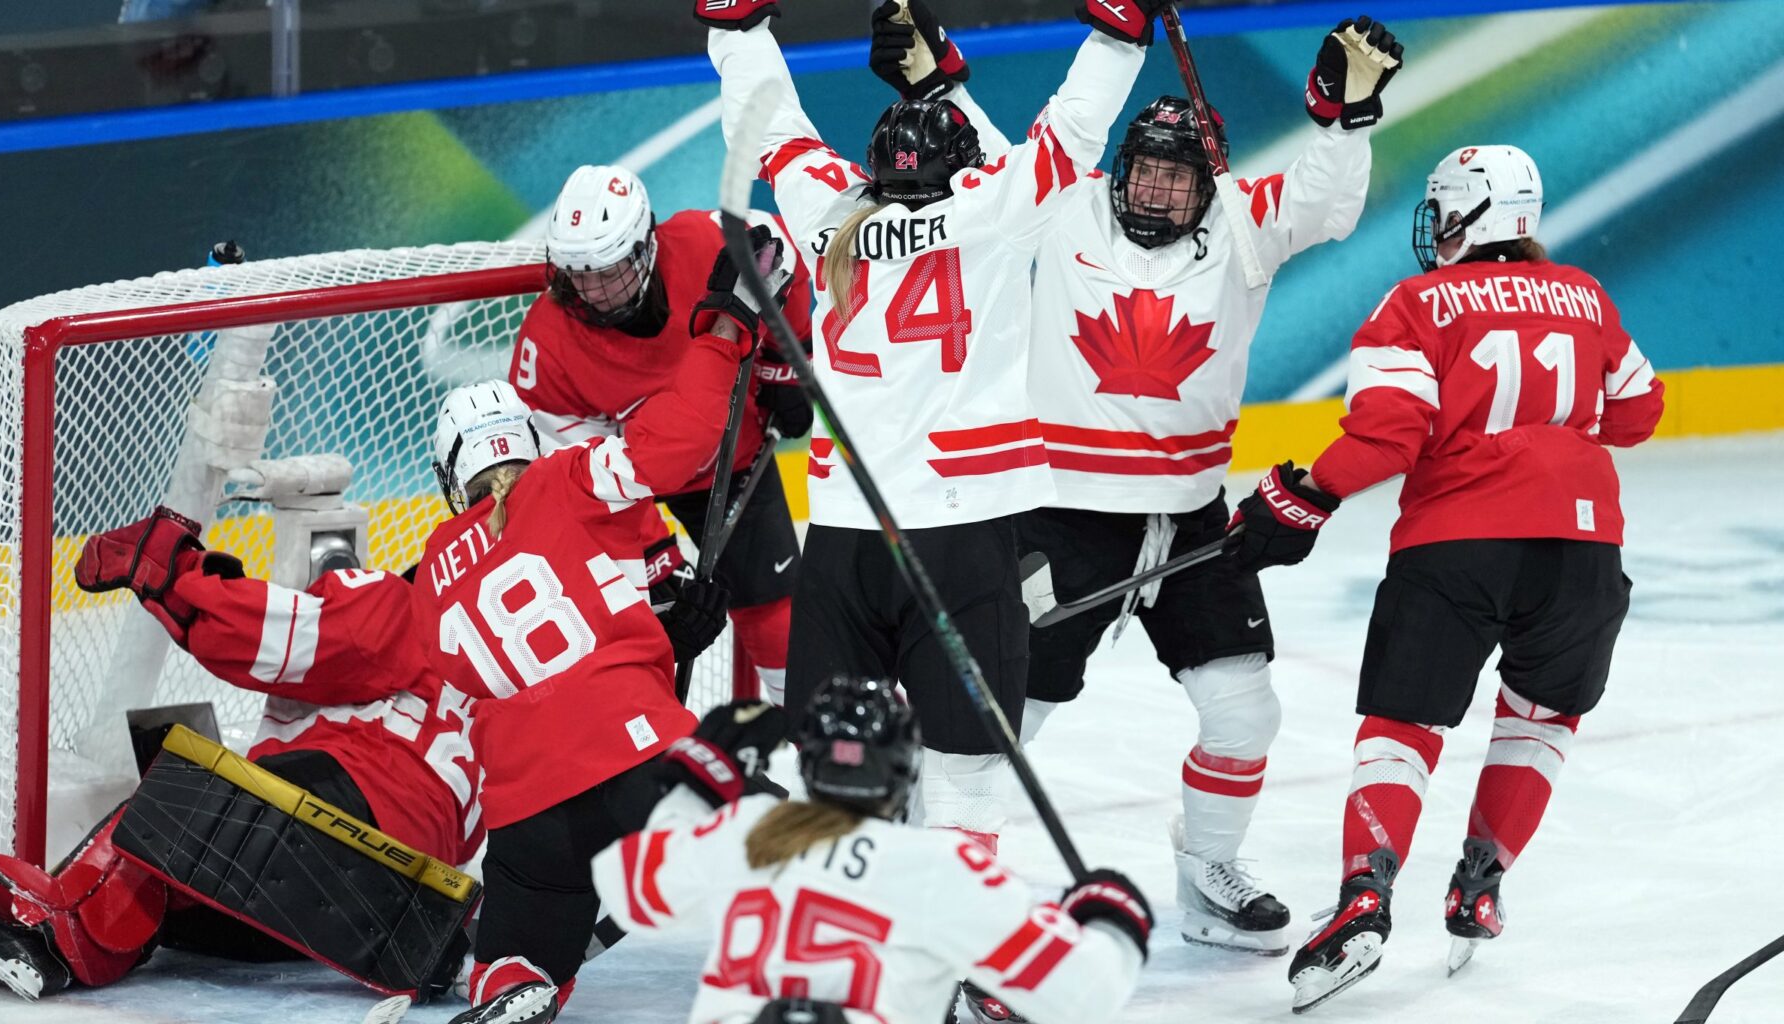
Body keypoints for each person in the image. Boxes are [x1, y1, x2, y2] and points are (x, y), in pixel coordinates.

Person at [874, 5, 1401, 964]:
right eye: (1145, 168)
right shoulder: (1067, 210)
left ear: (1209, 181)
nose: (1157, 187)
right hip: (1061, 518)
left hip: (1192, 520)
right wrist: (934, 80)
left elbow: (1326, 204)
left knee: (1245, 712)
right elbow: (1002, 157)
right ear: (1121, 169)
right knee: (1001, 717)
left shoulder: (1243, 224)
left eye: (1178, 175)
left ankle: (1209, 872)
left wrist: (1344, 120)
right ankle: (923, 874)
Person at [700, 0, 1150, 858]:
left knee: (832, 773)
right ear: (963, 168)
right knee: (965, 781)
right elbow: (1068, 136)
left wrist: (737, 30)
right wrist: (1119, 35)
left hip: (844, 536)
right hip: (958, 535)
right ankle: (953, 930)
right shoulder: (990, 209)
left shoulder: (827, 211)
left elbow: (774, 130)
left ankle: (840, 924)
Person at [1223, 144, 1664, 1012]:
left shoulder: (1417, 301)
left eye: (1443, 210)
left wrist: (1302, 495)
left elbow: (1390, 435)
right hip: (1585, 550)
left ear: (1467, 213)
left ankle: (1365, 896)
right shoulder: (1585, 294)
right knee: (1542, 716)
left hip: (1458, 541)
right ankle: (1480, 886)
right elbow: (1639, 413)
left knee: (1405, 724)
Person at [425, 228, 794, 1024]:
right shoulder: (568, 480)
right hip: (636, 757)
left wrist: (665, 635)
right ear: (528, 445)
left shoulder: (430, 569)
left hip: (523, 812)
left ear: (450, 476)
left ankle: (513, 978)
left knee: (516, 959)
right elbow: (680, 443)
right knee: (792, 841)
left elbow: (450, 674)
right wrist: (728, 327)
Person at [0, 507, 486, 1002]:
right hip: (381, 901)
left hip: (346, 820)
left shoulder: (404, 606)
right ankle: (78, 938)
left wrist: (175, 570)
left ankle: (56, 934)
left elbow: (268, 633)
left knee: (170, 808)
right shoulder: (505, 679)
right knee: (175, 881)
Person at [590, 675, 1155, 1024]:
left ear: (808, 764)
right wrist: (1110, 915)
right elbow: (1087, 993)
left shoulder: (748, 832)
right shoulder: (940, 868)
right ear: (905, 774)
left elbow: (629, 888)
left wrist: (697, 783)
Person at [511, 164, 814, 703]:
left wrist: (782, 365)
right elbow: (581, 479)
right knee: (638, 636)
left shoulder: (705, 242)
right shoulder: (547, 344)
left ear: (645, 247)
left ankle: (812, 729)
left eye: (608, 271)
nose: (591, 290)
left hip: (731, 453)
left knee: (777, 613)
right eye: (577, 273)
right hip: (628, 484)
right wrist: (656, 560)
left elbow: (782, 259)